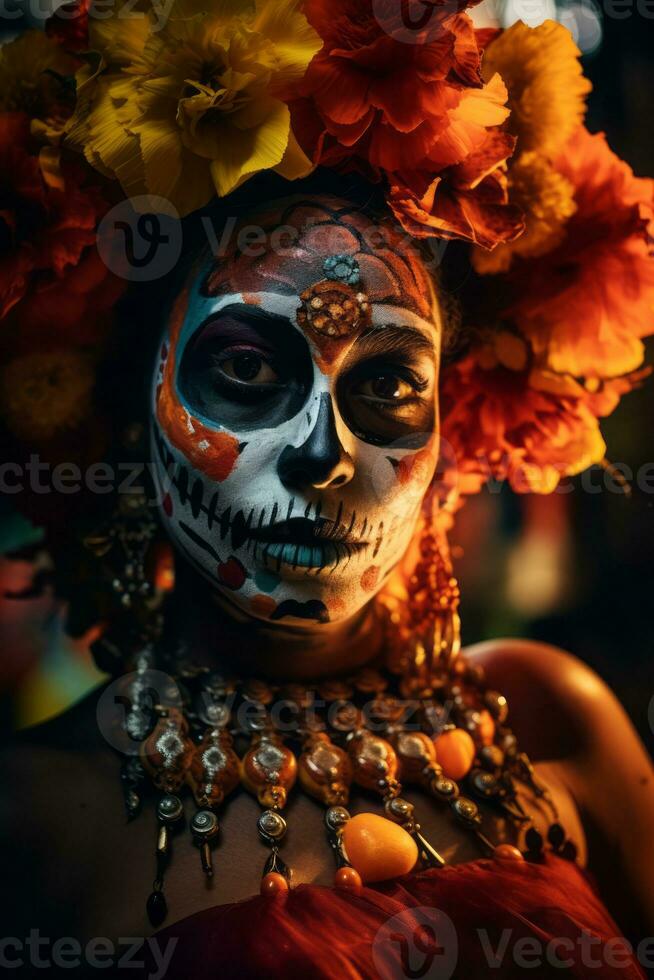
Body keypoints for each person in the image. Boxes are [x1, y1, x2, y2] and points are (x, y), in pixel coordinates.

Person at [1, 2, 653, 977]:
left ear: (453, 413)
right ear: (128, 399)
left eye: (389, 383)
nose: (324, 453)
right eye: (249, 371)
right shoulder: (29, 818)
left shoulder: (551, 717)